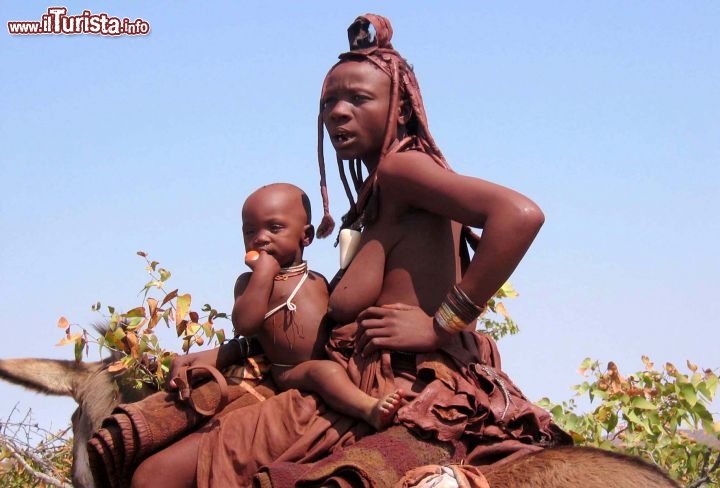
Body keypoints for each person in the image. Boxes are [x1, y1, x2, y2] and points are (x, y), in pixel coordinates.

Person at [128, 13, 571, 488]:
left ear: (399, 109)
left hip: (392, 388)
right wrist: (224, 352)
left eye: (358, 99)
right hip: (355, 381)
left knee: (155, 476)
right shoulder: (383, 193)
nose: (338, 112)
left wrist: (442, 325)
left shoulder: (404, 170)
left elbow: (520, 215)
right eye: (330, 102)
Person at [230, 182, 402, 431]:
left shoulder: (316, 279)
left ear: (306, 236)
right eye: (250, 232)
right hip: (290, 370)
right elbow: (245, 324)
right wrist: (263, 275)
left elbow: (337, 308)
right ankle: (369, 409)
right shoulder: (248, 283)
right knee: (324, 373)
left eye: (274, 228)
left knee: (343, 366)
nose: (260, 238)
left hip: (329, 355)